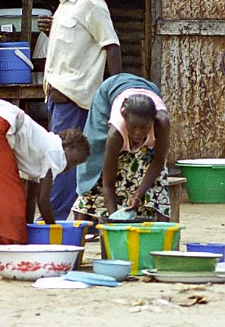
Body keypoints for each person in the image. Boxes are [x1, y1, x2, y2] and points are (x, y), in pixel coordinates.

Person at [37, 0, 122, 220]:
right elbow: (75, 48)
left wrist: (114, 91)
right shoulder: (65, 5)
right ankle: (65, 216)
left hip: (75, 100)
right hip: (57, 99)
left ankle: (59, 219)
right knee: (64, 159)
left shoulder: (91, 3)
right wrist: (53, 32)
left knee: (64, 160)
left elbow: (111, 45)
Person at [0, 99, 89, 256]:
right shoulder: (56, 151)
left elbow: (31, 199)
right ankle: (18, 254)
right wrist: (54, 230)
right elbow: (42, 200)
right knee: (11, 198)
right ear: (67, 145)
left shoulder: (38, 151)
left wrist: (28, 229)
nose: (70, 167)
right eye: (74, 160)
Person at [73, 74, 171, 223]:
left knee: (158, 178)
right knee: (95, 159)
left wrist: (138, 195)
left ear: (153, 120)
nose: (138, 132)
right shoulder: (115, 132)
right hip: (110, 90)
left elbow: (158, 162)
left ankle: (163, 230)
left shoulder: (162, 123)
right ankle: (81, 221)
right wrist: (115, 219)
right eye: (133, 127)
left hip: (149, 90)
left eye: (144, 127)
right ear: (124, 117)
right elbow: (108, 183)